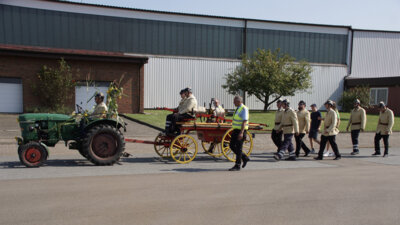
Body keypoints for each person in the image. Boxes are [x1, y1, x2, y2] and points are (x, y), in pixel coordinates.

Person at [228, 96, 250, 171]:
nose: (233, 103)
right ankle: (244, 157)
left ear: (239, 101)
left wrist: (241, 132)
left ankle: (237, 165)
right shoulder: (238, 108)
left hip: (241, 131)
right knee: (231, 145)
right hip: (236, 130)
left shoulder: (244, 108)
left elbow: (244, 121)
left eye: (234, 101)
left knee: (239, 148)